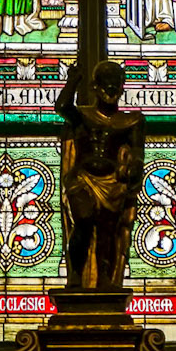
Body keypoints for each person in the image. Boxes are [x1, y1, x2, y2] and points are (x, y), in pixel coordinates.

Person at [56, 59, 145, 289]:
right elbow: (63, 107)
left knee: (108, 231)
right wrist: (73, 81)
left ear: (122, 87)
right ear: (95, 87)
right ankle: (75, 273)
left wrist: (133, 167)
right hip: (83, 180)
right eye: (106, 85)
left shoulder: (130, 121)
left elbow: (137, 152)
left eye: (115, 85)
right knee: (83, 221)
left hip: (112, 184)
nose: (111, 91)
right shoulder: (84, 117)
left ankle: (104, 277)